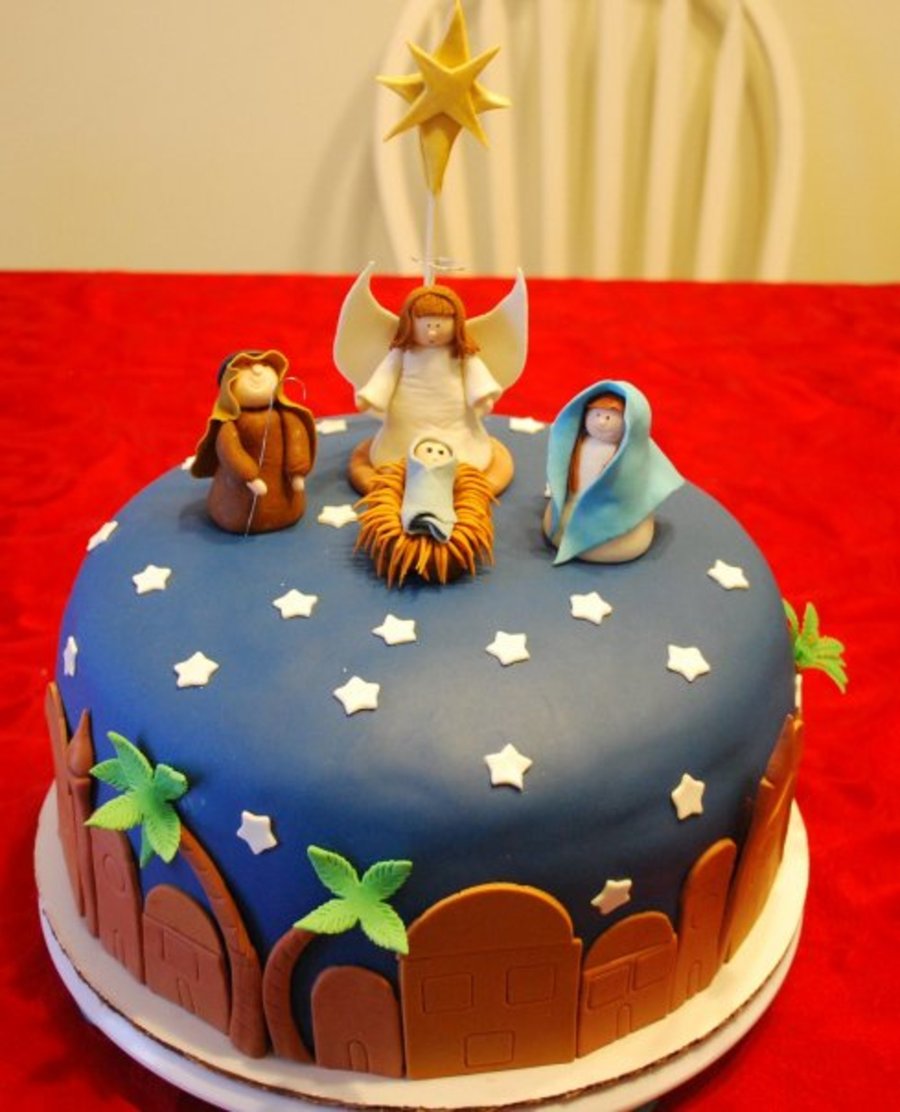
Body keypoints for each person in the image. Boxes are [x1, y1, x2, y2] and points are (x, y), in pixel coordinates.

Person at [355, 285, 503, 472]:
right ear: (409, 323)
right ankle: (398, 462)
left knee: (460, 448)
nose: (432, 333)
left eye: (438, 326)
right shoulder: (404, 352)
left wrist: (482, 396)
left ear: (456, 323)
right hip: (407, 419)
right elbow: (386, 375)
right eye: (427, 326)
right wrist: (370, 397)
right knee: (399, 447)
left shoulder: (461, 354)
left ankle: (461, 462)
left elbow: (476, 376)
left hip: (452, 419)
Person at [544, 381, 682, 564]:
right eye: (597, 415)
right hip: (576, 496)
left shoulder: (629, 455)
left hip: (611, 506)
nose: (601, 422)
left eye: (608, 417)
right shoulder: (581, 443)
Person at [192, 350, 317, 534]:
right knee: (239, 510)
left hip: (286, 493)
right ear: (228, 385)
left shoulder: (286, 417)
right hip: (239, 497)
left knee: (286, 505)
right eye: (247, 366)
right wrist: (249, 476)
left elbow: (296, 439)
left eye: (265, 365)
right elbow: (230, 451)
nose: (257, 370)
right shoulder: (229, 426)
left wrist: (297, 471)